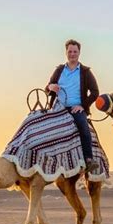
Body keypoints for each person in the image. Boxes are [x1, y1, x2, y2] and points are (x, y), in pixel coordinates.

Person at [45, 39, 100, 172]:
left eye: (75, 51)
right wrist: (50, 87)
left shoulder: (85, 72)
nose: (72, 54)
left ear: (79, 53)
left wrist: (83, 105)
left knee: (84, 127)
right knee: (39, 125)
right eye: (70, 51)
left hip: (76, 108)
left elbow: (95, 92)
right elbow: (47, 89)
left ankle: (88, 160)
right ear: (66, 52)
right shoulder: (59, 70)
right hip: (58, 107)